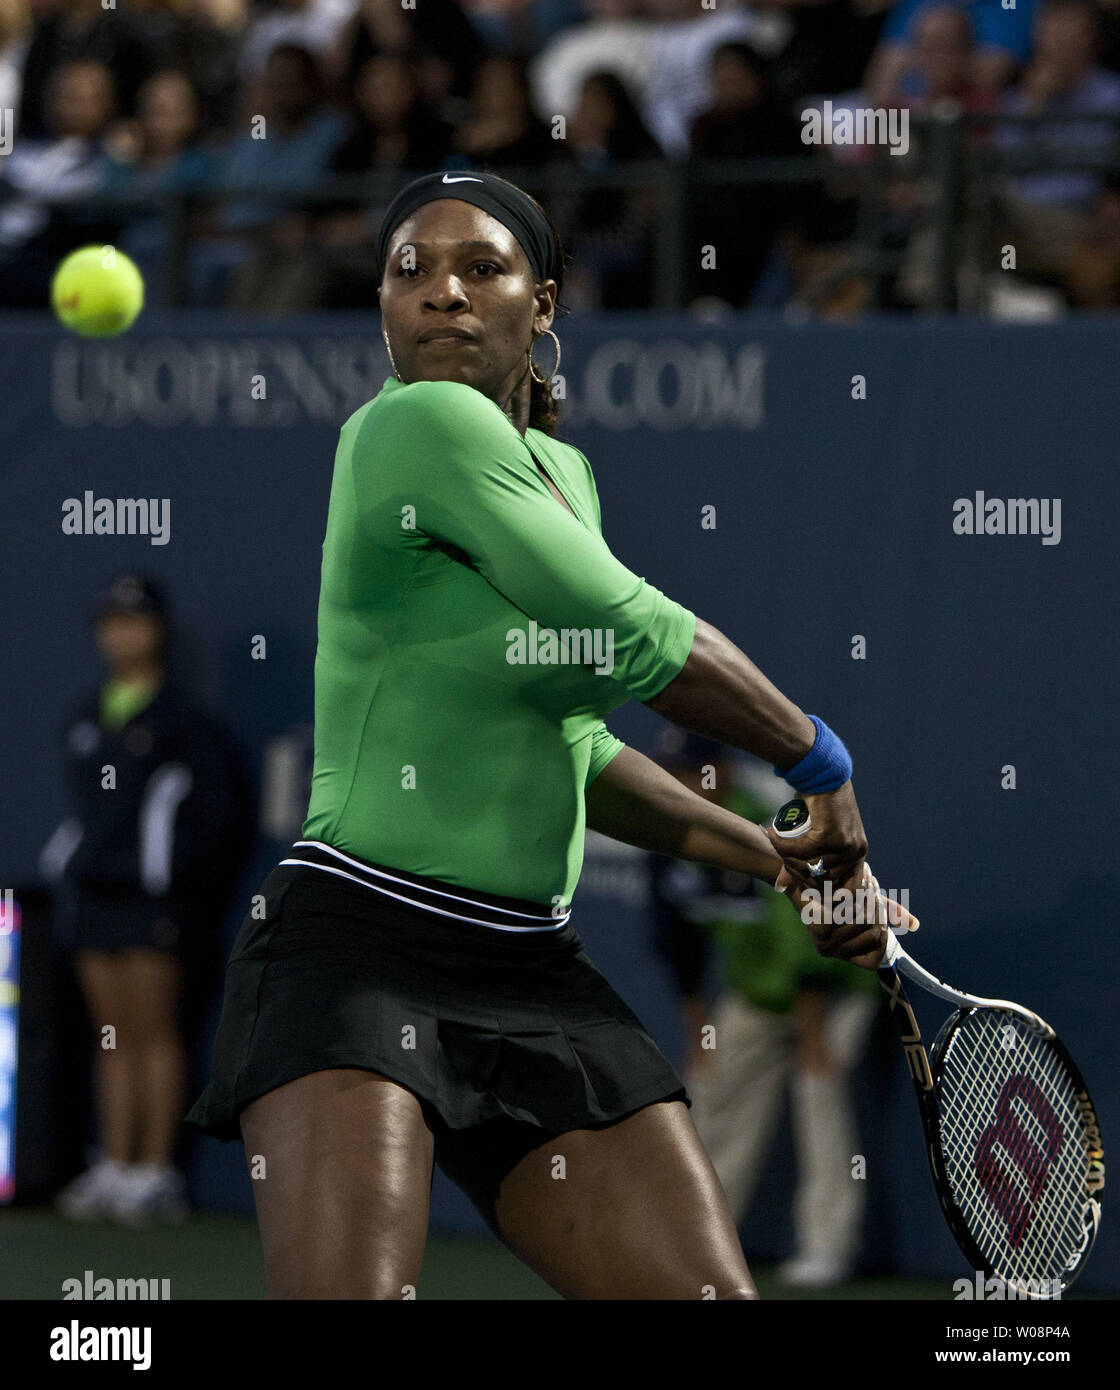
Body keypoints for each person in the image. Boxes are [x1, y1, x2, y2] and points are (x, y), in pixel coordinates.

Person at [185, 168, 912, 1299]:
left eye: (482, 267)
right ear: (380, 306)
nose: (442, 294)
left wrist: (774, 858)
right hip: (355, 951)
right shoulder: (413, 428)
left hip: (534, 972)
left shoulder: (565, 474)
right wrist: (821, 768)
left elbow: (572, 749)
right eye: (409, 271)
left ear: (544, 303)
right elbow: (636, 636)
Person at [42, 574, 253, 1224]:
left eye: (135, 621)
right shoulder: (85, 716)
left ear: (157, 631)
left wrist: (167, 874)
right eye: (111, 622)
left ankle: (154, 1172)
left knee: (152, 1032)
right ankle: (114, 1161)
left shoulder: (185, 722)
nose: (122, 634)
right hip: (95, 896)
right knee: (110, 1035)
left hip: (157, 904)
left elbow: (214, 818)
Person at [649, 732, 879, 1288]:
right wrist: (696, 1030)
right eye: (676, 770)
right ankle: (698, 1245)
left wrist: (811, 1034)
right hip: (753, 989)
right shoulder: (666, 827)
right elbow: (675, 938)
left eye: (696, 768)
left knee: (816, 1095)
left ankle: (827, 1247)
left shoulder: (776, 820)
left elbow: (807, 930)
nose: (686, 781)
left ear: (722, 769)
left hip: (832, 985)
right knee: (712, 1094)